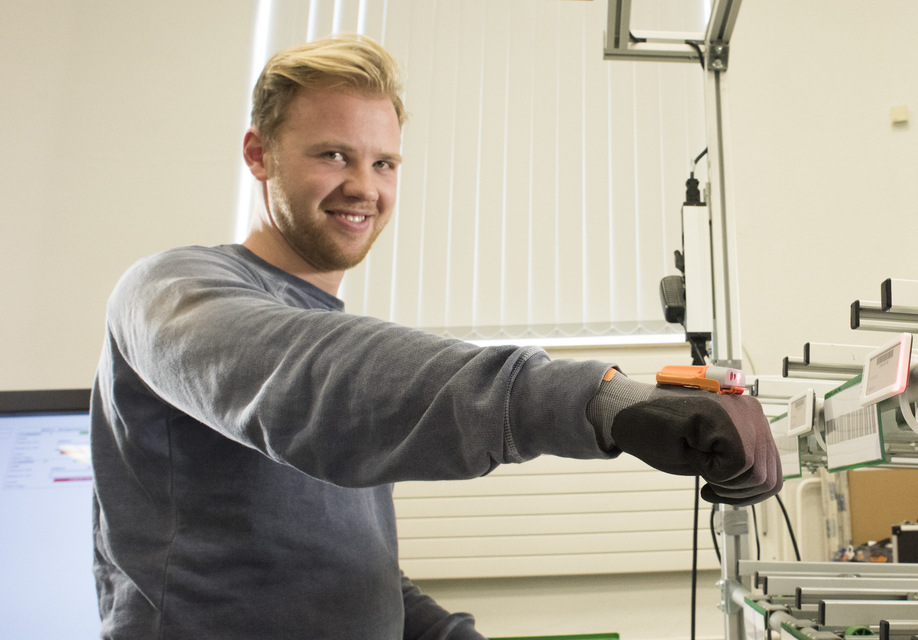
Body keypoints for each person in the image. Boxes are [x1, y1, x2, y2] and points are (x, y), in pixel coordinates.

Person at [90, 34, 779, 639]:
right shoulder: (171, 292)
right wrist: (598, 398)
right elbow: (307, 382)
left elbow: (343, 576)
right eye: (333, 155)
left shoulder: (338, 354)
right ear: (258, 154)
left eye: (384, 163)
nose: (363, 187)